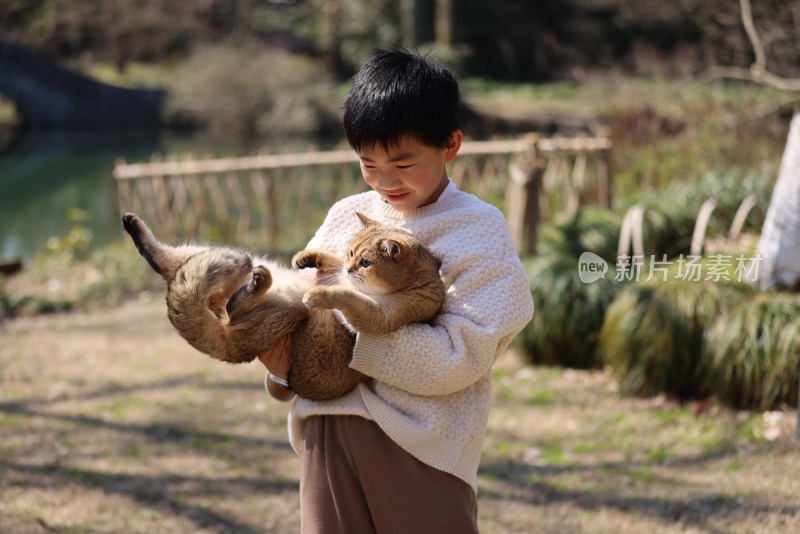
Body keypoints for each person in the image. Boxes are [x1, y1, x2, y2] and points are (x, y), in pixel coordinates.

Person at [258, 47, 534, 534]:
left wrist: (356, 334)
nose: (385, 182)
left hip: (421, 448)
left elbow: (461, 355)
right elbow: (304, 316)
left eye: (403, 164)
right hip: (326, 428)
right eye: (368, 164)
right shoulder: (348, 215)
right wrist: (283, 373)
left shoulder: (479, 229)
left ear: (450, 144)